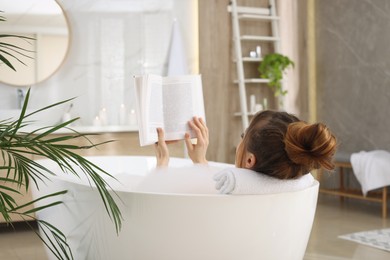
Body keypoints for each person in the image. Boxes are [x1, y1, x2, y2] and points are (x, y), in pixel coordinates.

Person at [154, 110, 337, 181]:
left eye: (243, 136)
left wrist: (162, 163)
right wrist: (200, 161)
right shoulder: (293, 182)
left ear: (250, 159)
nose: (239, 141)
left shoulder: (231, 198)